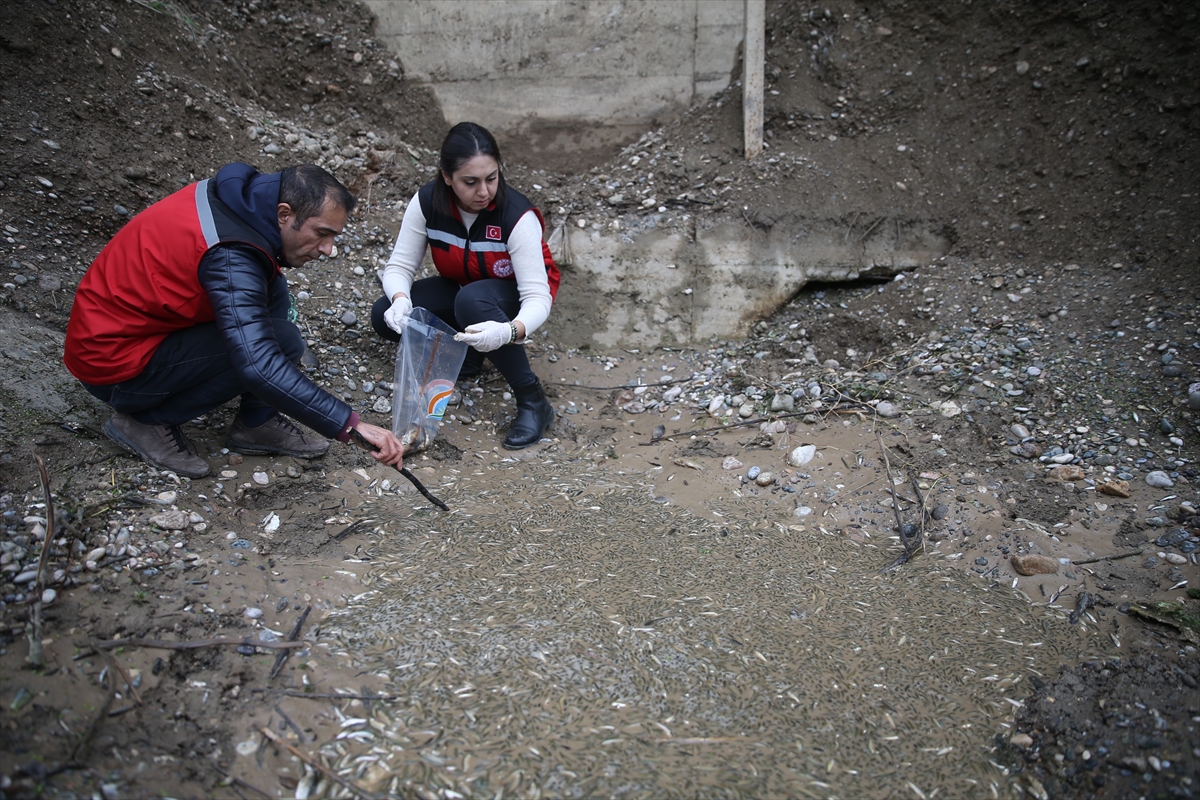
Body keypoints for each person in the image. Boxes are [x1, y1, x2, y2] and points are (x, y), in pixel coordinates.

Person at [63, 163, 406, 478]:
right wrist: (349, 424)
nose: (329, 249)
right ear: (284, 213)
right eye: (321, 233)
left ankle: (257, 421)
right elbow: (257, 364)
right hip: (112, 365)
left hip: (130, 330)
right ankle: (146, 421)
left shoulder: (240, 203)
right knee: (279, 343)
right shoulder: (231, 254)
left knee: (273, 291)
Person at [370, 122, 561, 450]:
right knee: (381, 314)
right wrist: (400, 299)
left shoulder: (515, 216)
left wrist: (509, 332)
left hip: (510, 298)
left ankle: (533, 401)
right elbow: (400, 266)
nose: (484, 192)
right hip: (463, 287)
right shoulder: (428, 203)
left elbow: (538, 296)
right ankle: (468, 356)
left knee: (471, 302)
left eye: (491, 178)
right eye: (470, 182)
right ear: (447, 177)